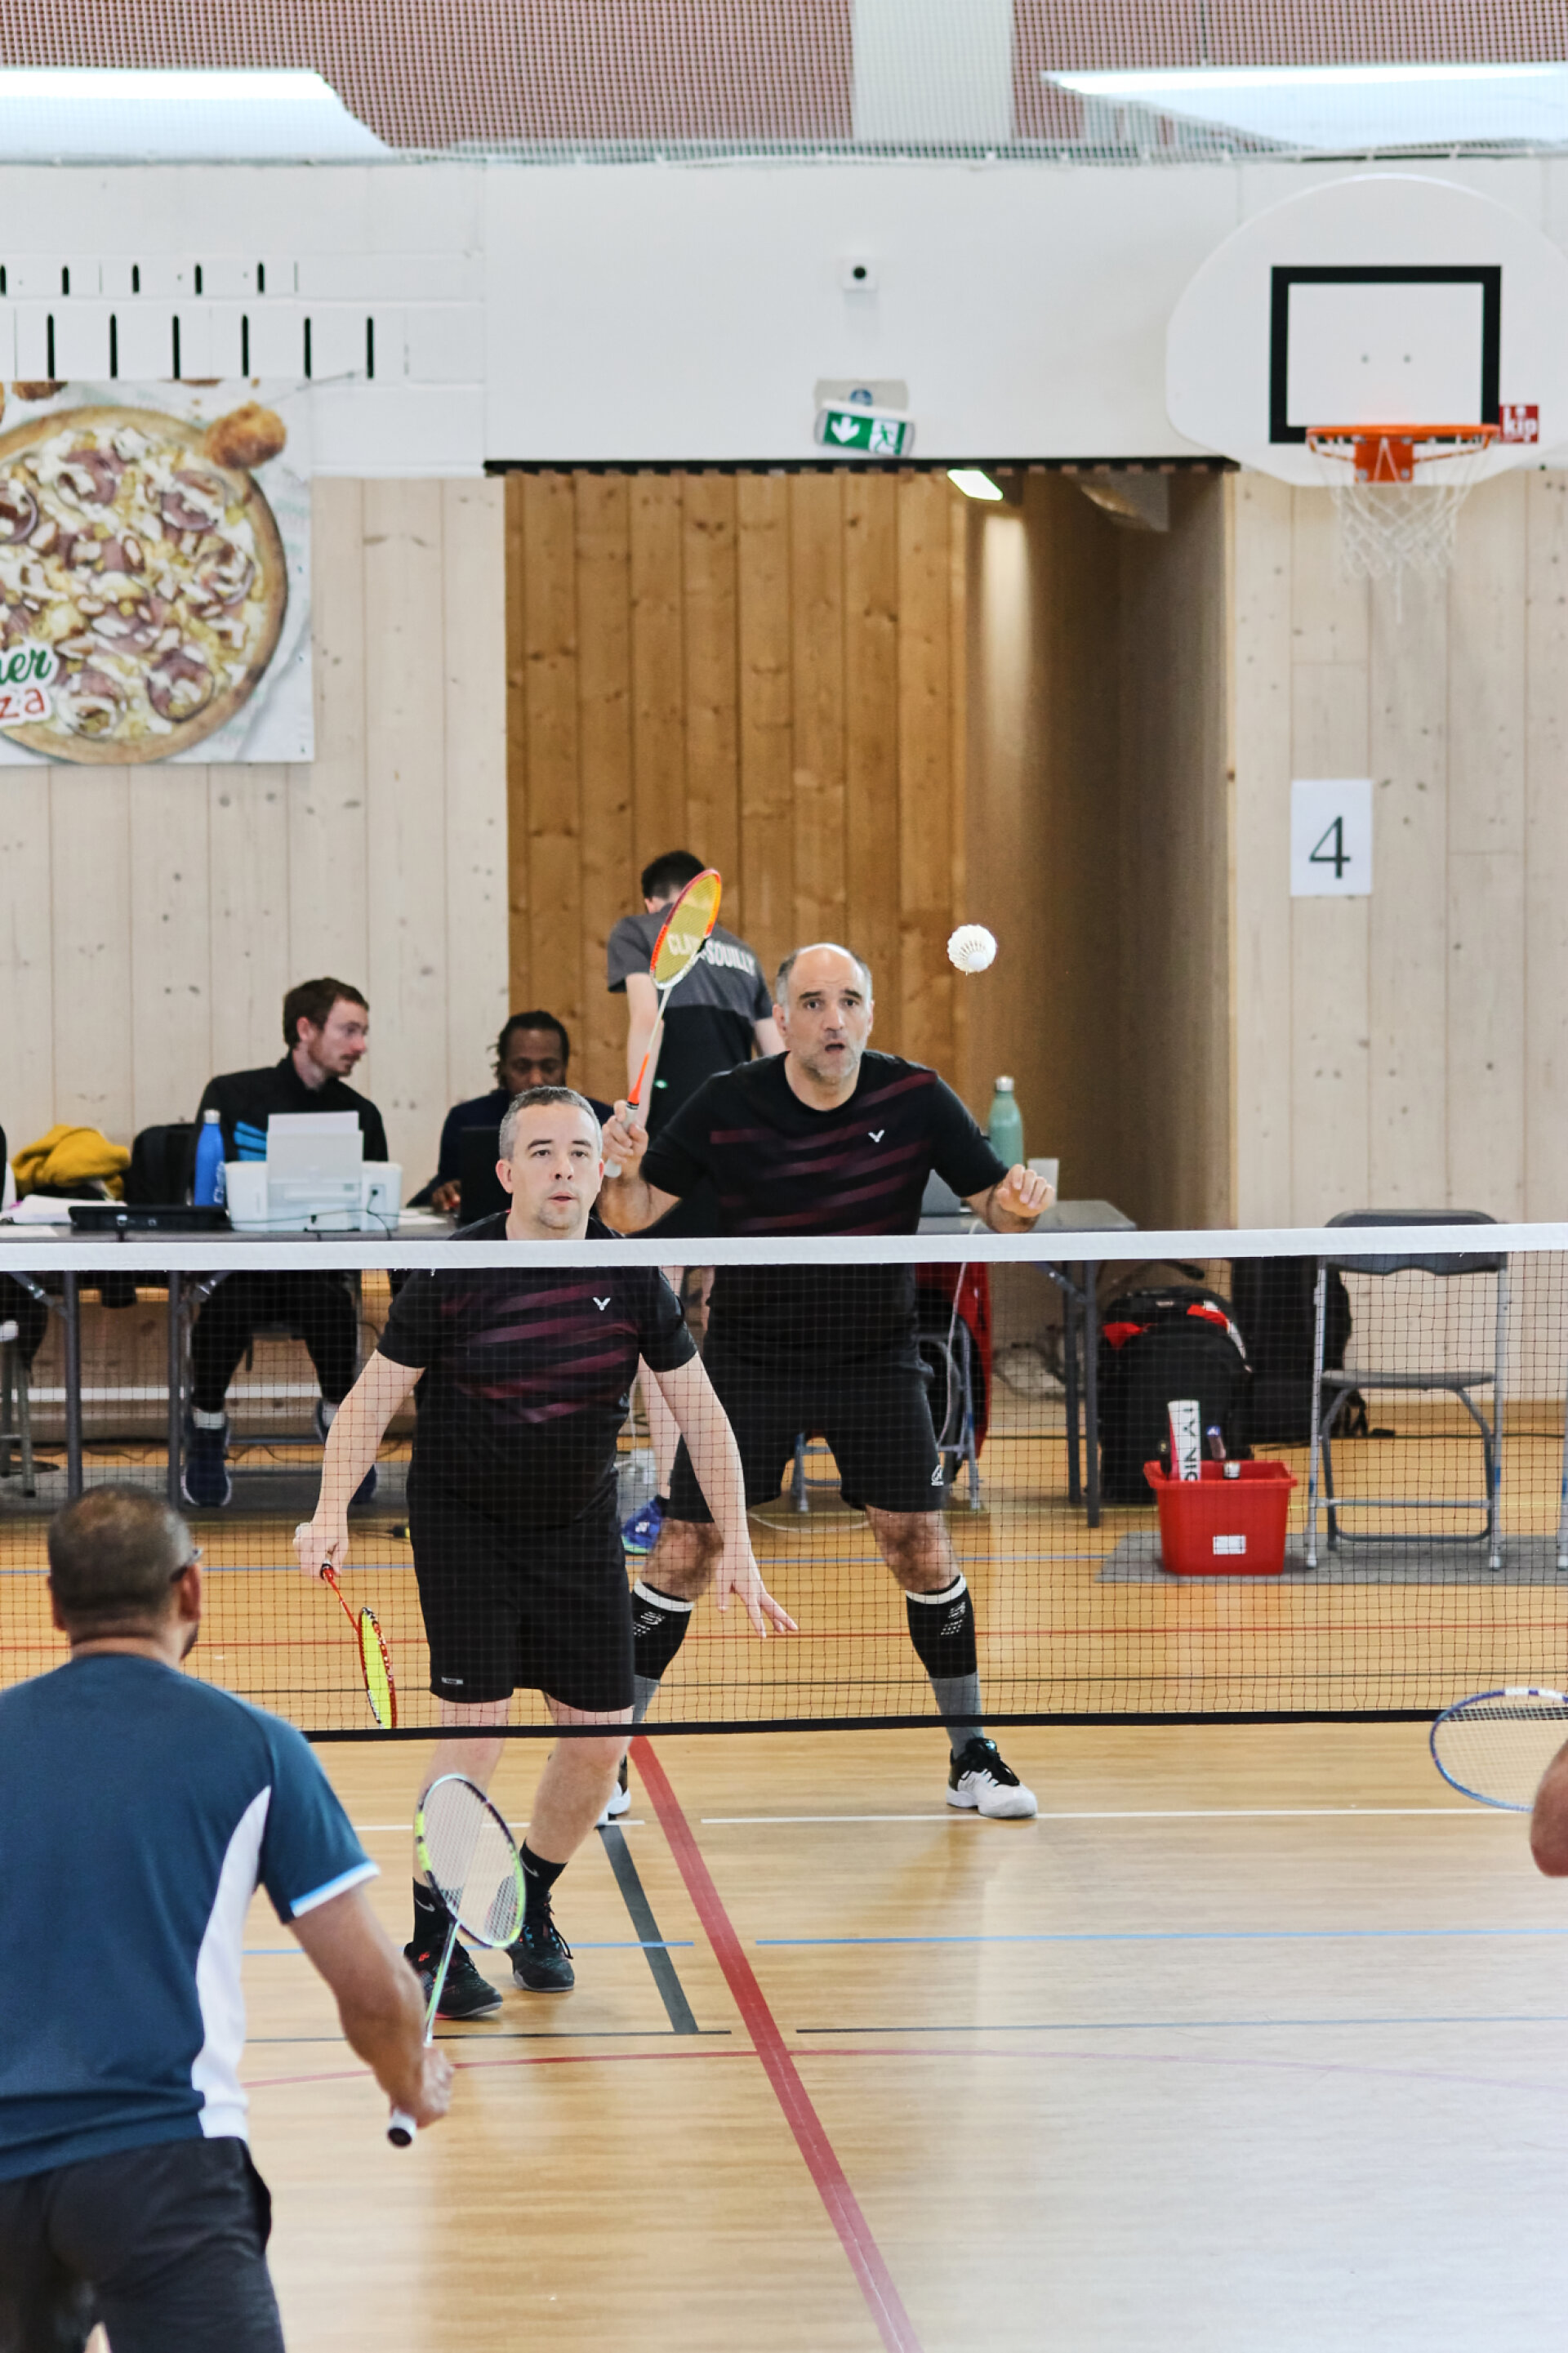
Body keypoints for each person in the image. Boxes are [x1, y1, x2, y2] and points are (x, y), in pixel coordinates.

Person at [296, 1085, 791, 2019]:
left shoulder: (633, 1279)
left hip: (576, 1529)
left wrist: (737, 1542)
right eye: (543, 1153)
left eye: (579, 1152)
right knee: (474, 1729)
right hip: (465, 1525)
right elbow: (370, 1399)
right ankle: (434, 1941)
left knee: (600, 1742)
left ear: (602, 1169)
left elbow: (703, 1415)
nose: (564, 1168)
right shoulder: (456, 1269)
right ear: (506, 1172)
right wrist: (330, 1510)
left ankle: (528, 1904)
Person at [601, 941, 1051, 1820]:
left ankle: (972, 1755)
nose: (832, 1019)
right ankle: (605, 1757)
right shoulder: (727, 1100)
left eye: (848, 1000)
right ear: (782, 1020)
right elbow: (631, 1212)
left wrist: (1021, 1204)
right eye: (812, 1003)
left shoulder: (915, 1096)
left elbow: (997, 1208)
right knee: (686, 1549)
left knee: (919, 1545)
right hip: (750, 1358)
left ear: (870, 1014)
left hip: (875, 1358)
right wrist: (621, 1165)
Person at [0, 1486, 447, 2353]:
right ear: (191, 1588)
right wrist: (410, 2076)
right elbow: (373, 1991)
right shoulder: (256, 1746)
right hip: (163, 2162)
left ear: (54, 1603)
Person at [608, 850, 782, 1558]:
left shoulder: (638, 930)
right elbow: (776, 1051)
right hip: (746, 1146)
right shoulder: (742, 952)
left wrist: (635, 1126)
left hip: (678, 1146)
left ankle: (673, 1497)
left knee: (661, 1312)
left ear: (657, 903)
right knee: (726, 1312)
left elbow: (643, 1020)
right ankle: (729, 1490)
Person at [183, 978, 386, 1511]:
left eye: (363, 1032)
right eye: (349, 1030)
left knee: (332, 1307)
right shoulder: (231, 1096)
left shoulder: (362, 1114)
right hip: (240, 1271)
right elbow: (203, 1196)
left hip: (317, 1273)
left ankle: (342, 1425)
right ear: (306, 1029)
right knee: (226, 1310)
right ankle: (206, 1426)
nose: (361, 1045)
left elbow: (374, 1208)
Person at [417, 1010, 612, 1214]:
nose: (536, 1079)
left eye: (548, 1067)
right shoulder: (466, 1119)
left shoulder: (599, 1121)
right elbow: (441, 1191)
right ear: (502, 1067)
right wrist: (445, 1194)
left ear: (564, 1068)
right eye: (522, 1067)